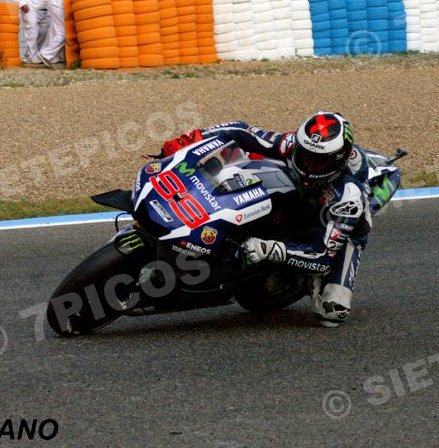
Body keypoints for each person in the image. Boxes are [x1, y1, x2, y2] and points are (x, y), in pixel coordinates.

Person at [160, 113, 400, 327]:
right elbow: (241, 130)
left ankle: (306, 280)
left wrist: (267, 249)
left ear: (338, 161)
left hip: (337, 224)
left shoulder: (347, 197)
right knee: (248, 161)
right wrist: (190, 139)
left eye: (320, 161)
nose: (310, 165)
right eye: (306, 156)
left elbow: (321, 257)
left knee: (332, 312)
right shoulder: (290, 145)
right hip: (301, 196)